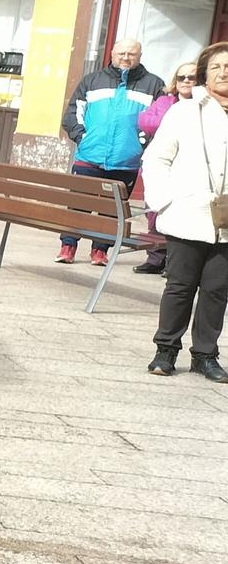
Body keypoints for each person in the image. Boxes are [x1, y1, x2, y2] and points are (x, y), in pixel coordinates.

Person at [144, 41, 228, 382]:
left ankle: (205, 355)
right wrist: (165, 201)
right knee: (179, 286)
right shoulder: (184, 111)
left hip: (227, 221)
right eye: (218, 68)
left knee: (217, 290)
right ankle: (165, 350)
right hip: (187, 213)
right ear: (205, 75)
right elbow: (156, 158)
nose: (225, 73)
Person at [58, 37, 163, 265]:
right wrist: (83, 139)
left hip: (126, 161)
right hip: (89, 157)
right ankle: (68, 246)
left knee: (112, 210)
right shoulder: (92, 80)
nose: (126, 58)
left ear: (140, 56)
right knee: (79, 204)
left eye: (131, 54)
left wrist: (141, 144)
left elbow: (159, 120)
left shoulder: (154, 85)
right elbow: (72, 114)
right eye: (121, 53)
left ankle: (100, 250)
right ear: (112, 54)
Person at [135, 59, 199, 275]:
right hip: (160, 167)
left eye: (192, 77)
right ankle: (155, 258)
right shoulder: (165, 102)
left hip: (188, 170)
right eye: (182, 77)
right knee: (154, 213)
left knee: (180, 215)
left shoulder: (205, 104)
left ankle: (173, 262)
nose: (187, 81)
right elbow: (145, 121)